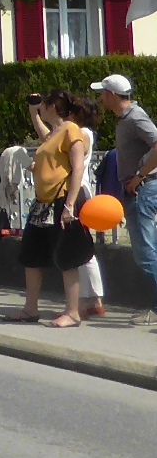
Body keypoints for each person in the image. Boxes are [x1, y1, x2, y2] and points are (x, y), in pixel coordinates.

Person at [3, 90, 89, 327]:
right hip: (44, 202)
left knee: (66, 256)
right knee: (31, 255)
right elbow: (45, 138)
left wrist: (70, 205)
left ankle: (72, 312)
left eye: (43, 105)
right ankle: (30, 308)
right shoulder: (55, 134)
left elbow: (77, 168)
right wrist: (33, 114)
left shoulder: (71, 130)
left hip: (62, 200)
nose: (41, 108)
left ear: (52, 106)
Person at [92, 73, 157, 326]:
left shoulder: (135, 118)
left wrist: (140, 175)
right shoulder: (127, 119)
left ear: (111, 95)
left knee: (146, 252)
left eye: (102, 93)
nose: (101, 98)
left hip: (143, 190)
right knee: (149, 250)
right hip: (140, 188)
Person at [67, 97, 106, 318]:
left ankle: (86, 300)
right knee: (82, 246)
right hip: (83, 189)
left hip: (78, 189)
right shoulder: (87, 133)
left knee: (80, 247)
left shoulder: (82, 133)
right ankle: (93, 299)